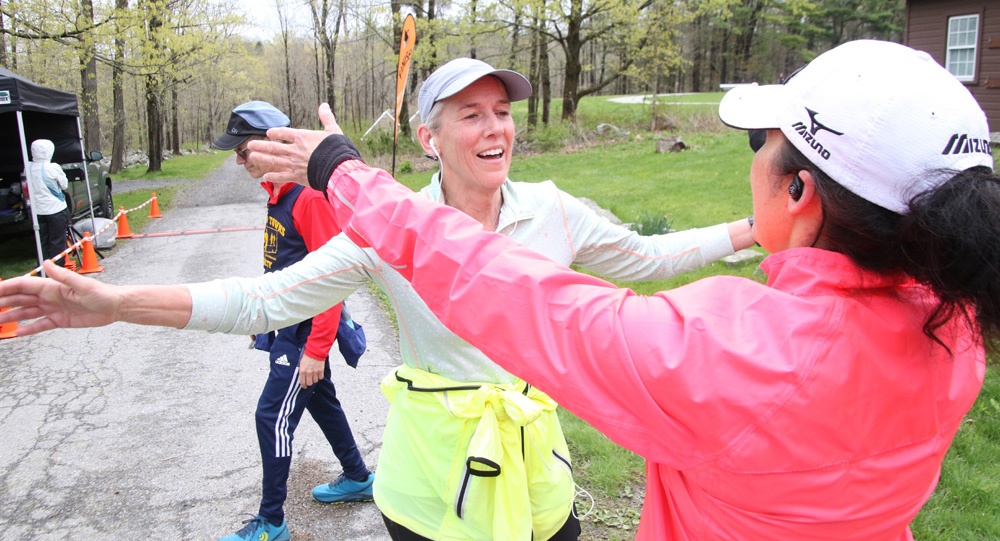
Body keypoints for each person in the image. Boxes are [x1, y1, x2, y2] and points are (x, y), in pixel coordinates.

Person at [245, 40, 998, 539]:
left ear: (800, 191)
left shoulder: (721, 355)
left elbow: (510, 294)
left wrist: (343, 171)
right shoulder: (956, 333)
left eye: (760, 143)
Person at [0, 59, 753, 540]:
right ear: (430, 138)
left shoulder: (554, 209)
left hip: (536, 469)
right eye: (472, 114)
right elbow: (264, 299)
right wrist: (115, 301)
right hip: (430, 484)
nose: (496, 128)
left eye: (502, 111)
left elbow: (650, 257)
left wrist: (755, 227)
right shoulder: (390, 230)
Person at [210, 101, 374, 541]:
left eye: (243, 151)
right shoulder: (277, 192)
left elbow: (332, 281)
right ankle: (358, 477)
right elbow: (283, 267)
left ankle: (272, 522)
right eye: (237, 153)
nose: (239, 161)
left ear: (272, 144)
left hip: (304, 334)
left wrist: (316, 350)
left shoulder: (308, 198)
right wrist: (263, 315)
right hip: (286, 325)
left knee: (272, 417)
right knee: (320, 399)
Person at [25, 139, 70, 267]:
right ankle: (57, 269)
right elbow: (64, 185)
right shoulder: (52, 167)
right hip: (56, 209)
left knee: (42, 241)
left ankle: (42, 269)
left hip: (38, 210)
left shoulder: (28, 167)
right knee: (57, 241)